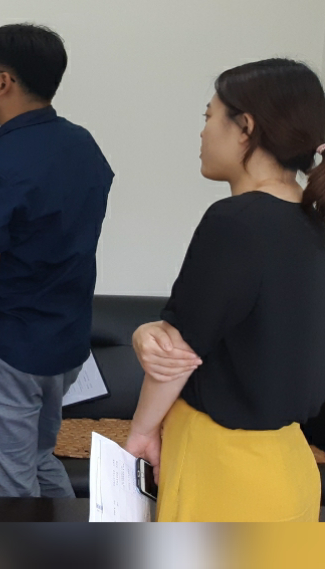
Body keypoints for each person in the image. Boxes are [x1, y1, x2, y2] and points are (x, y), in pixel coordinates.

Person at [125, 59, 325, 522]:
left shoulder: (235, 222)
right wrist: (148, 331)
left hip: (223, 469)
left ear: (246, 127)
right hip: (290, 470)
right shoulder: (313, 224)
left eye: (209, 115)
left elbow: (178, 351)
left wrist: (141, 432)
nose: (202, 131)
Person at [0, 24, 114, 499]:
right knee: (38, 458)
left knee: (11, 491)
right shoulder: (84, 146)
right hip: (65, 345)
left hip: (8, 350)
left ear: (4, 82)